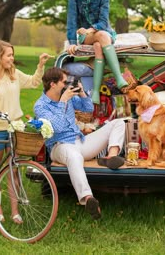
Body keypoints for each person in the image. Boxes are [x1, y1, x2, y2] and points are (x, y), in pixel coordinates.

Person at [34, 67, 125, 220]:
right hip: (60, 145)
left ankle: (111, 157)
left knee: (118, 123)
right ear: (52, 84)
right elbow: (56, 127)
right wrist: (63, 102)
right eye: (64, 82)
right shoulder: (41, 105)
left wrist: (82, 92)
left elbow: (88, 109)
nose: (67, 84)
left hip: (80, 141)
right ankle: (88, 198)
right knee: (74, 157)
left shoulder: (67, 95)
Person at [0, 40, 53, 224]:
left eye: (13, 55)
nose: (12, 59)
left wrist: (41, 65)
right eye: (9, 55)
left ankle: (15, 211)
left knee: (14, 169)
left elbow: (34, 82)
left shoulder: (14, 75)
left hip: (14, 128)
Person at [66, 0, 128, 104]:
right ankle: (119, 78)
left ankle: (95, 93)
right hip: (86, 36)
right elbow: (71, 20)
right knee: (102, 36)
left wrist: (90, 29)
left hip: (103, 30)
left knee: (99, 45)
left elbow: (103, 21)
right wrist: (72, 43)